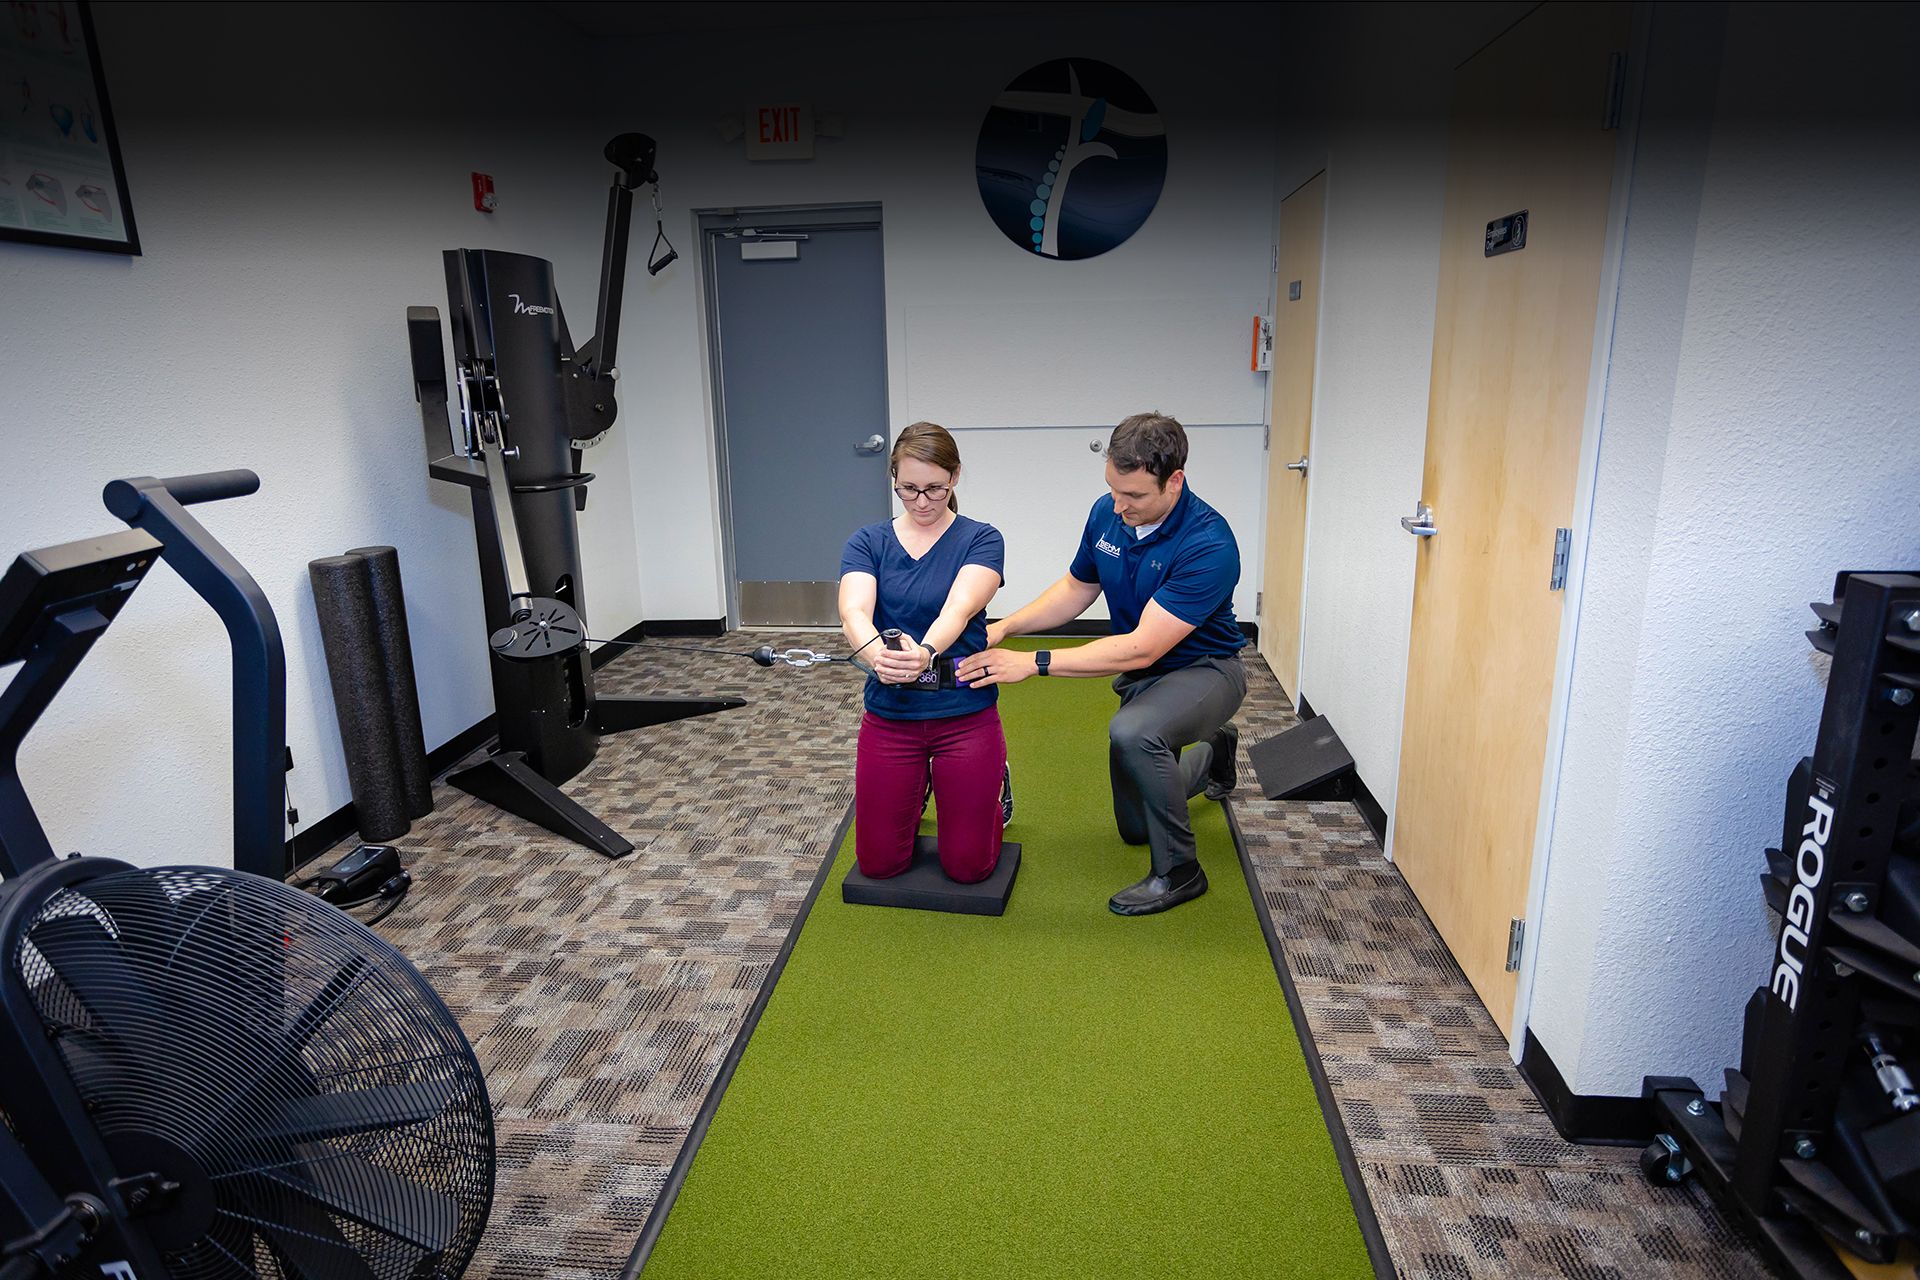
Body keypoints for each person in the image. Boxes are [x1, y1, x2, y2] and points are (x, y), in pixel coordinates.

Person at [957, 411, 1244, 916]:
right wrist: (1005, 627)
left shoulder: (1209, 544)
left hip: (1206, 670)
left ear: (1174, 480)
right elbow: (1077, 588)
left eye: (1134, 496)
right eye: (1113, 489)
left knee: (1134, 733)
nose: (1120, 505)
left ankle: (1180, 871)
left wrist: (1035, 663)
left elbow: (1142, 648)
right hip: (1147, 678)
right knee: (1134, 828)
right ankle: (1214, 749)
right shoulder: (1107, 513)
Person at [839, 422, 1008, 883]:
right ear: (893, 479)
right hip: (892, 715)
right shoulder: (868, 541)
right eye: (908, 489)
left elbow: (959, 608)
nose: (922, 501)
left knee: (968, 868)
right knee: (878, 865)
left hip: (964, 710)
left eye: (935, 488)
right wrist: (878, 657)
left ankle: (993, 787)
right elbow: (854, 610)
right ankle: (920, 786)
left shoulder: (981, 538)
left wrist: (926, 651)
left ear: (954, 477)